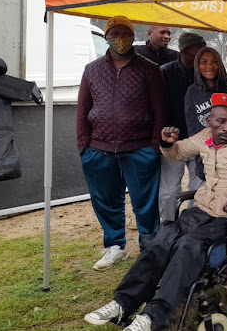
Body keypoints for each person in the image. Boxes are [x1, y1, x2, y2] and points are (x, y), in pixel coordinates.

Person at [83, 94, 227, 331]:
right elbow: (177, 152)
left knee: (189, 244)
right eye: (220, 121)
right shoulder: (204, 138)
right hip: (202, 209)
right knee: (162, 237)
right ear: (209, 121)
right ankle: (123, 302)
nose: (226, 128)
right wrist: (168, 144)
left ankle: (153, 316)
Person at [76, 16, 165, 270]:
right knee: (105, 199)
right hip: (99, 148)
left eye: (125, 33)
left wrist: (154, 146)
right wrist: (84, 146)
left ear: (133, 35)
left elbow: (160, 109)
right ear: (106, 37)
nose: (120, 39)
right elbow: (83, 109)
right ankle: (115, 246)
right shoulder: (91, 70)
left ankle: (148, 247)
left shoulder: (149, 69)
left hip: (139, 148)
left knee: (145, 202)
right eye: (115, 34)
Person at [158, 33, 207, 223]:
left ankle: (190, 228)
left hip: (199, 142)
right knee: (169, 192)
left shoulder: (204, 73)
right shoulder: (164, 73)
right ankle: (168, 229)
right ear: (185, 51)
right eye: (198, 49)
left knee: (199, 190)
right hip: (174, 142)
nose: (202, 54)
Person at [183, 46, 227, 179]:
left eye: (214, 61)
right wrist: (199, 159)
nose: (210, 66)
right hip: (206, 156)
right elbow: (192, 128)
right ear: (197, 65)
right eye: (204, 62)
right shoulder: (192, 92)